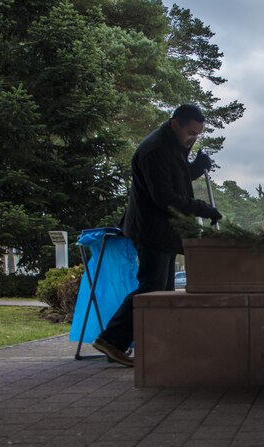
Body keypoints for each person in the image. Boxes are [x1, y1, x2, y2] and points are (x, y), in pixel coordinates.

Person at [92, 104, 222, 367]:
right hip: (151, 228)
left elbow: (176, 176)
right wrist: (202, 208)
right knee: (151, 291)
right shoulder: (154, 150)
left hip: (164, 230)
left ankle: (160, 346)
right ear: (175, 124)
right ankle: (110, 340)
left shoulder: (170, 145)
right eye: (190, 132)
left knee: (164, 292)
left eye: (198, 134)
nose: (193, 138)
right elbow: (164, 196)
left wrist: (196, 166)